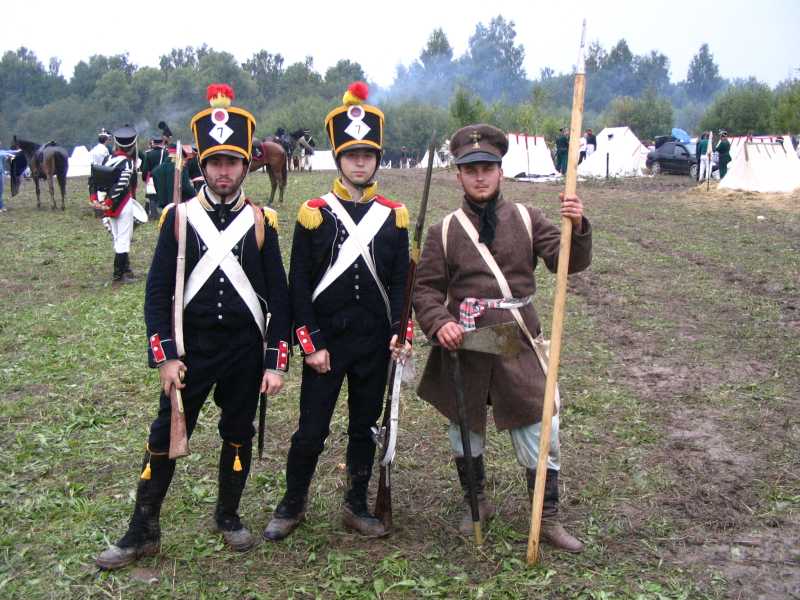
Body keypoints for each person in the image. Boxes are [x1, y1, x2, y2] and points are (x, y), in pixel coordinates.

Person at [95, 83, 291, 570]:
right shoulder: (178, 218)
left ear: (245, 166)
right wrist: (165, 357)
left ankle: (228, 515)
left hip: (244, 351)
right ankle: (143, 529)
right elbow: (157, 294)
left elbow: (280, 299)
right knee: (165, 434)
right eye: (215, 162)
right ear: (203, 164)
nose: (224, 171)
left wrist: (274, 363)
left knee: (239, 431)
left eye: (232, 162)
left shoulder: (262, 222)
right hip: (190, 350)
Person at [412, 124, 592, 553]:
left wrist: (577, 225)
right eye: (470, 169)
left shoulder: (529, 219)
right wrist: (439, 322)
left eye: (487, 168)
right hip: (466, 343)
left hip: (516, 341)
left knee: (539, 424)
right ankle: (476, 503)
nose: (480, 177)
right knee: (465, 428)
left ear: (500, 172)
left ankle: (546, 517)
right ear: (458, 175)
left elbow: (567, 262)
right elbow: (425, 290)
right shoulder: (444, 231)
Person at [264, 81, 410, 542]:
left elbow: (400, 284)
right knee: (311, 430)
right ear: (339, 158)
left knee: (364, 429)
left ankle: (355, 504)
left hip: (373, 344)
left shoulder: (394, 216)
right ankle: (293, 503)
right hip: (326, 343)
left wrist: (400, 332)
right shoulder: (315, 213)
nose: (360, 162)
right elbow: (299, 286)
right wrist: (310, 344)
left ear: (376, 159)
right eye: (352, 155)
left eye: (367, 155)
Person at [89, 125, 139, 283]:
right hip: (122, 203)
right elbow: (122, 184)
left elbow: (93, 179)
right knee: (123, 239)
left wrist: (95, 198)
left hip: (108, 204)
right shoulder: (128, 163)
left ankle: (124, 270)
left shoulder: (107, 159)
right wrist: (110, 201)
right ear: (132, 145)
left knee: (117, 237)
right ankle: (119, 274)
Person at [150, 143, 194, 213]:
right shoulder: (181, 168)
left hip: (164, 207)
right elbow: (186, 187)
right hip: (179, 205)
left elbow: (156, 189)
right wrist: (195, 195)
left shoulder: (156, 170)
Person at [0, 142, 20, 213]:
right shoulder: (2, 153)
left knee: (1, 191)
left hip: (1, 174)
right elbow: (9, 153)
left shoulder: (2, 152)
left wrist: (18, 151)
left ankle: (1, 206)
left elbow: (10, 152)